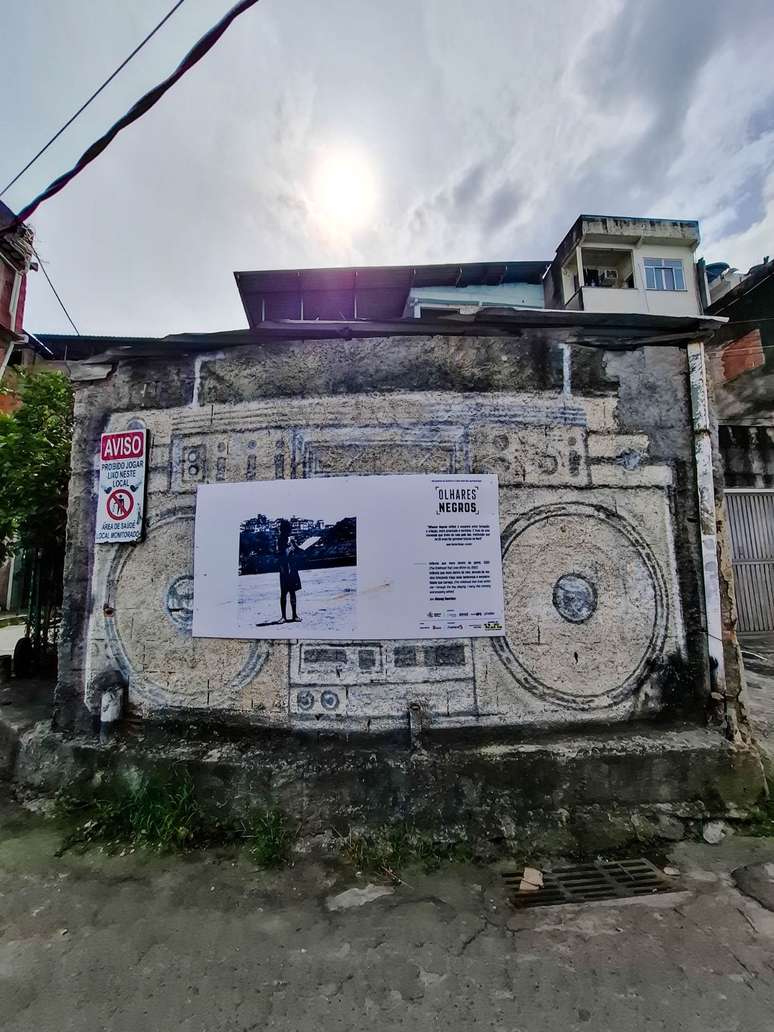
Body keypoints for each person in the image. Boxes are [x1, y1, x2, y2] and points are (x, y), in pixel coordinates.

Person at [277, 519, 302, 622]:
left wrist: (299, 547)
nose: (290, 531)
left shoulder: (291, 539)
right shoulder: (280, 540)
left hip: (292, 569)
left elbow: (298, 550)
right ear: (284, 530)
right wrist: (290, 548)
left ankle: (295, 615)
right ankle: (283, 616)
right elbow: (282, 554)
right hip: (284, 569)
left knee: (292, 592)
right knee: (283, 593)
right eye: (288, 529)